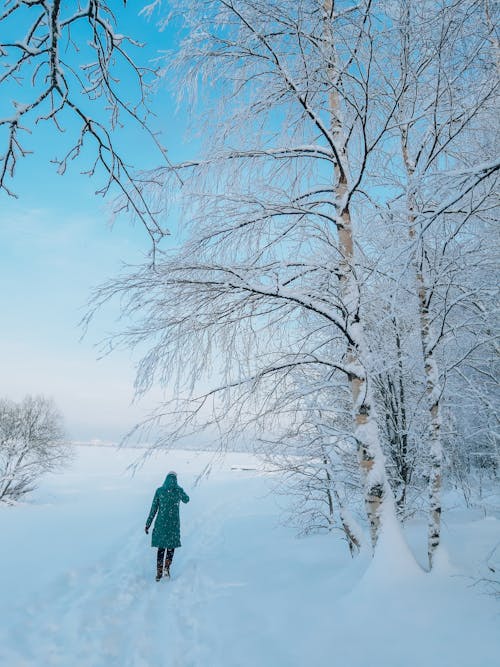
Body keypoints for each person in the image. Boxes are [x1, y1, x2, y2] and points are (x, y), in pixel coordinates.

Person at [145, 471, 190, 581]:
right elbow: (187, 499)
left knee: (161, 548)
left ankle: (159, 572)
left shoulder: (160, 491)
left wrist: (148, 524)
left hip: (161, 524)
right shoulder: (178, 490)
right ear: (176, 480)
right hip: (173, 525)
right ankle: (166, 568)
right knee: (170, 547)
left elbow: (153, 509)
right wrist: (179, 489)